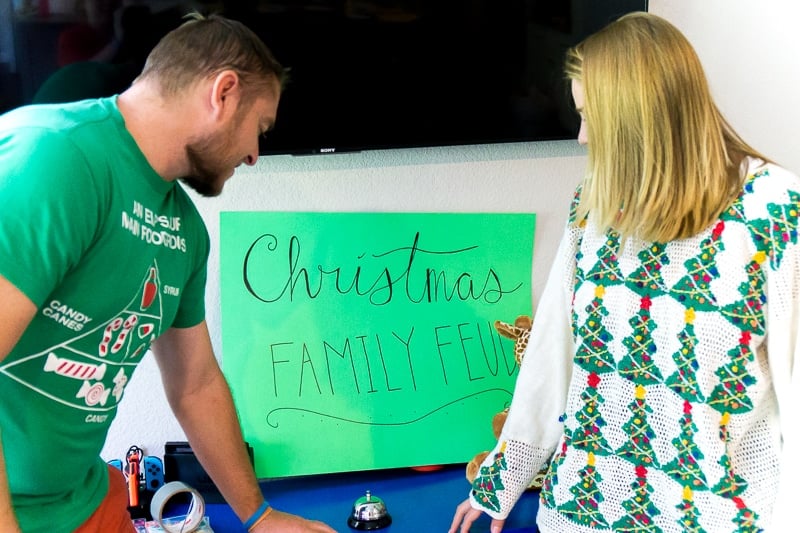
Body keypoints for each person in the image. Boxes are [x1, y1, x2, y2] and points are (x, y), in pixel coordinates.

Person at [450, 11, 797, 533]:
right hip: (581, 516)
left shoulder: (774, 212)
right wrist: (502, 480)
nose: (583, 138)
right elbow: (552, 355)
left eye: (592, 116)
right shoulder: (593, 210)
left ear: (641, 121)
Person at [0, 12, 336, 533]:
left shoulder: (186, 233)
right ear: (223, 93)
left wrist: (260, 515)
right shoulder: (56, 157)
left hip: (83, 500)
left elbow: (196, 385)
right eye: (259, 128)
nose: (253, 155)